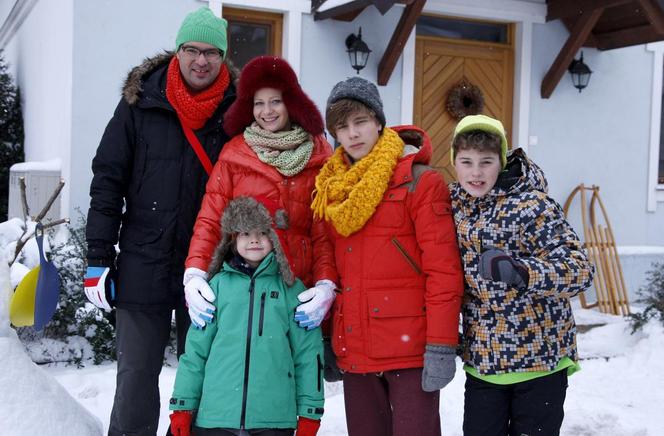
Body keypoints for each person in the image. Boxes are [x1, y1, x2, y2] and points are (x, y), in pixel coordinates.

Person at [83, 7, 236, 435]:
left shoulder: (238, 112)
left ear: (223, 57)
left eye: (211, 52)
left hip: (209, 268)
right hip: (142, 261)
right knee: (134, 381)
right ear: (178, 51)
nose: (200, 61)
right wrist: (98, 256)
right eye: (191, 50)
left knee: (203, 381)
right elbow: (108, 178)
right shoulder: (140, 102)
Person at [311, 76, 465, 436]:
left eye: (360, 122)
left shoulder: (420, 182)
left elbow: (443, 271)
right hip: (356, 346)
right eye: (342, 126)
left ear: (378, 122)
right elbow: (329, 271)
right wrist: (328, 337)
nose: (353, 134)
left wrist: (442, 345)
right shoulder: (330, 190)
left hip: (410, 350)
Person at [448, 114, 595, 436]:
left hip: (539, 360)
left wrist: (523, 273)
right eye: (466, 162)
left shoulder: (533, 206)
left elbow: (580, 270)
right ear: (454, 163)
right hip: (483, 362)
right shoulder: (451, 206)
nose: (475, 172)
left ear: (500, 162)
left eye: (486, 162)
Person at [181, 56, 337, 333]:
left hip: (298, 294)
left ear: (291, 102)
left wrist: (326, 284)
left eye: (275, 101)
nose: (267, 111)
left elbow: (324, 233)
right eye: (258, 103)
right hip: (247, 291)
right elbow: (211, 220)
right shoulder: (234, 155)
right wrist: (195, 273)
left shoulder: (321, 155)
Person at [169, 196, 324, 436]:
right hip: (216, 418)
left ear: (275, 238)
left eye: (262, 232)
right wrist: (182, 407)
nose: (254, 239)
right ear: (232, 238)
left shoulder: (291, 290)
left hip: (273, 419)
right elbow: (195, 354)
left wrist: (310, 412)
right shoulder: (216, 288)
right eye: (245, 232)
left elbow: (308, 355)